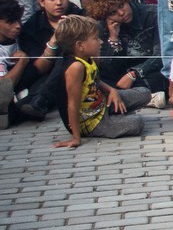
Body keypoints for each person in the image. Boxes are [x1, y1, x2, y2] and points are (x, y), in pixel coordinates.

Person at [51, 13, 149, 145]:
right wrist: (76, 138)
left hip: (101, 104)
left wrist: (111, 91)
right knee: (137, 123)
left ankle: (116, 114)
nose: (101, 42)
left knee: (144, 93)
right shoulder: (75, 67)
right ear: (80, 46)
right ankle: (114, 118)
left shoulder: (87, 58)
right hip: (91, 121)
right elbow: (72, 104)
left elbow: (94, 81)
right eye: (96, 38)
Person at [82, 0, 166, 100]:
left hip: (147, 70)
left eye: (122, 5)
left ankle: (127, 97)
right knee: (99, 77)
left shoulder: (152, 14)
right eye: (113, 12)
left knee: (163, 75)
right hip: (121, 75)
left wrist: (134, 74)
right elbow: (107, 67)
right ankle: (140, 97)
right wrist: (113, 38)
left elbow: (161, 55)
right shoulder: (103, 27)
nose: (121, 13)